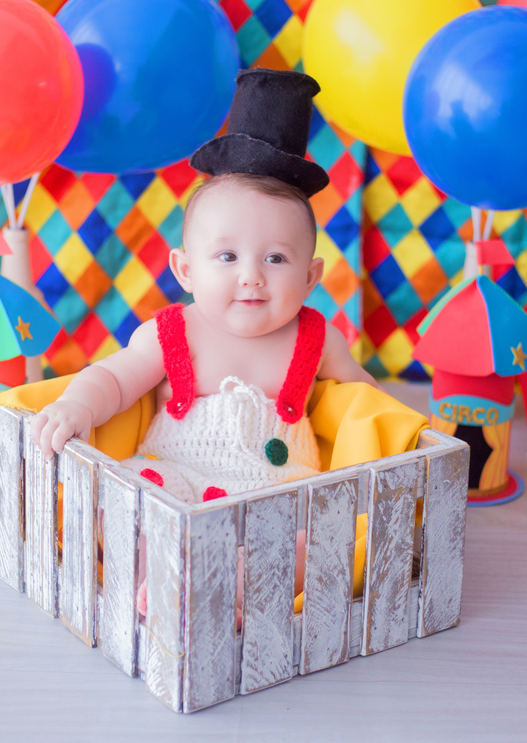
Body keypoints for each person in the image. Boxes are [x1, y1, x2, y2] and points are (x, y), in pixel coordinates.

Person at [30, 68, 377, 503]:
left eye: (275, 258)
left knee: (311, 525)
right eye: (227, 257)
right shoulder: (173, 334)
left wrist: (403, 427)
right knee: (135, 498)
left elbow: (365, 400)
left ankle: (264, 566)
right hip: (176, 477)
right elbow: (113, 381)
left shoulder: (318, 340)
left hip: (279, 490)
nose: (251, 275)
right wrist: (78, 405)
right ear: (186, 270)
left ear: (309, 278)